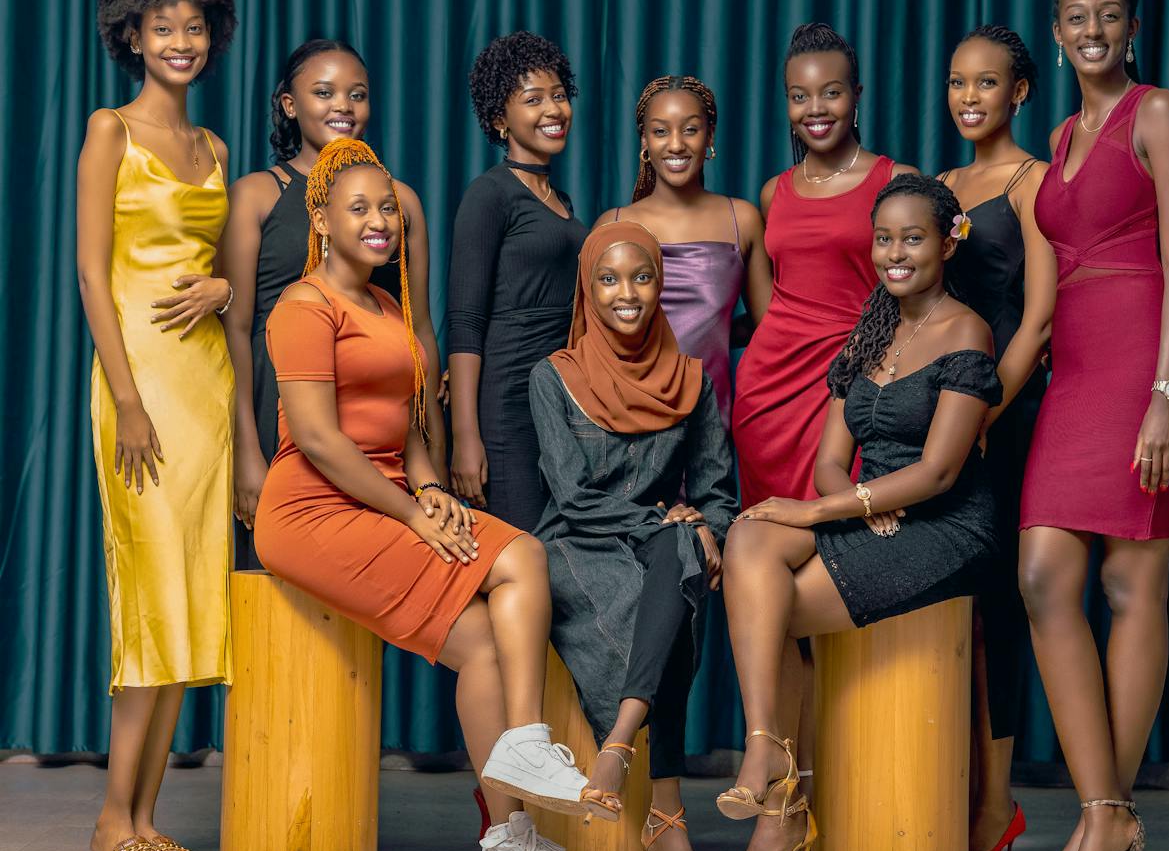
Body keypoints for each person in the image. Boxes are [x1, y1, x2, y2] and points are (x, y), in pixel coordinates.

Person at [253, 137, 594, 851]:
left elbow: (404, 423)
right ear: (322, 223)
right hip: (312, 508)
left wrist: (431, 486)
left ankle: (508, 839)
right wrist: (411, 513)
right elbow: (315, 437)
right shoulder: (303, 307)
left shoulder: (385, 303)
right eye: (360, 209)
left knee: (487, 642)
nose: (380, 221)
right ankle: (530, 748)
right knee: (519, 563)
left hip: (388, 492)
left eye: (388, 209)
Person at [719, 175, 1002, 851]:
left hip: (947, 527)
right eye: (884, 238)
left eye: (913, 237)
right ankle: (768, 752)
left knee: (767, 599)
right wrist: (852, 500)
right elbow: (829, 460)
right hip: (871, 511)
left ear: (947, 241)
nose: (895, 252)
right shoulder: (872, 331)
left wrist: (821, 510)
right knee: (750, 537)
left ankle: (779, 801)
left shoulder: (967, 332)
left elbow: (939, 471)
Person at [1019, 0, 1169, 851]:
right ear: (1056, 33)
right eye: (1075, 18)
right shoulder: (1058, 135)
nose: (1092, 31)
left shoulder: (1159, 112)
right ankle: (1110, 809)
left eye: (1108, 16)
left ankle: (1104, 814)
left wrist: (1168, 390)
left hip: (1147, 362)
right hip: (1078, 370)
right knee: (1046, 573)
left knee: (1134, 584)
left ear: (1131, 29)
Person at [78, 0, 238, 851]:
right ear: (133, 37)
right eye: (162, 28)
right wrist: (128, 400)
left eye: (194, 27)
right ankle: (110, 817)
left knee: (187, 599)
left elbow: (236, 270)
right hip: (139, 388)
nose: (181, 42)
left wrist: (223, 286)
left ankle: (144, 814)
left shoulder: (215, 150)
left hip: (207, 385)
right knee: (148, 593)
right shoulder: (111, 130)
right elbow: (93, 274)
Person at [731, 22, 919, 804]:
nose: (816, 108)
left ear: (857, 95)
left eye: (831, 91)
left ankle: (847, 797)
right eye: (800, 95)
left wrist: (861, 378)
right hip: (770, 394)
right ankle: (786, 789)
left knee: (829, 578)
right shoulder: (775, 191)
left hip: (849, 397)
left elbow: (914, 299)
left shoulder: (895, 179)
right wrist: (784, 356)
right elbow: (771, 300)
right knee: (766, 583)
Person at [530, 221, 738, 851]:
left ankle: (618, 744)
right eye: (610, 279)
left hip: (656, 544)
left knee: (681, 551)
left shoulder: (691, 381)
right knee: (676, 571)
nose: (628, 294)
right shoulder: (553, 377)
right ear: (588, 290)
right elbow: (573, 495)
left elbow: (715, 492)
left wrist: (709, 526)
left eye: (642, 277)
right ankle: (667, 813)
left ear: (661, 283)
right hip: (575, 540)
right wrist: (669, 522)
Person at [219, 38, 446, 570]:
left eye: (357, 94)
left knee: (379, 578)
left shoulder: (400, 201)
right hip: (281, 409)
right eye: (324, 92)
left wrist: (435, 453)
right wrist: (247, 455)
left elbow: (421, 329)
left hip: (377, 426)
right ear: (290, 104)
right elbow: (234, 332)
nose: (343, 105)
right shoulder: (257, 195)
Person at [937, 25, 1055, 851]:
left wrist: (984, 412)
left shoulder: (1032, 183)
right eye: (956, 82)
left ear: (1020, 91)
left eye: (987, 82)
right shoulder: (938, 186)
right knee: (953, 602)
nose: (969, 96)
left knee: (1000, 604)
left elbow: (1040, 316)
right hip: (940, 415)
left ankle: (995, 801)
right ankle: (947, 782)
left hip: (1003, 414)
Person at [448, 31, 588, 530]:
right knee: (523, 550)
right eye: (533, 100)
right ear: (499, 120)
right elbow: (464, 321)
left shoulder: (564, 203)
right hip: (508, 405)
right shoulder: (489, 195)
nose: (553, 109)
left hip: (559, 402)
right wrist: (467, 436)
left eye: (558, 95)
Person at [594, 74, 769, 428]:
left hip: (708, 423)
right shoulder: (612, 225)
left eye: (689, 129)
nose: (676, 144)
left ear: (710, 136)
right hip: (626, 421)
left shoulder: (742, 219)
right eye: (660, 131)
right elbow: (590, 335)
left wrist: (715, 333)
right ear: (644, 140)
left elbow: (768, 325)